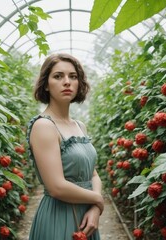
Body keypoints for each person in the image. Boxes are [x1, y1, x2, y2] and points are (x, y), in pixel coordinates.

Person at [26, 53, 103, 240]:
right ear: (46, 84)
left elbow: (93, 174)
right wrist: (98, 200)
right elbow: (56, 187)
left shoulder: (80, 126)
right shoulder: (44, 125)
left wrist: (95, 209)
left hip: (88, 216)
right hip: (59, 216)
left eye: (73, 76)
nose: (67, 82)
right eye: (58, 76)